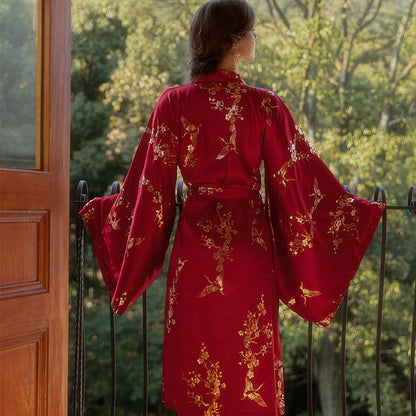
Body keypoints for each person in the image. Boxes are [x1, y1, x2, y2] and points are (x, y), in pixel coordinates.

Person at [79, 0, 385, 414]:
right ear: (234, 40)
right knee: (247, 366)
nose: (255, 37)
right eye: (251, 30)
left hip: (196, 254)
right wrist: (352, 212)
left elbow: (150, 189)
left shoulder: (175, 103)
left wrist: (106, 212)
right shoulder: (265, 106)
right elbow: (295, 184)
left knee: (198, 367)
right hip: (249, 251)